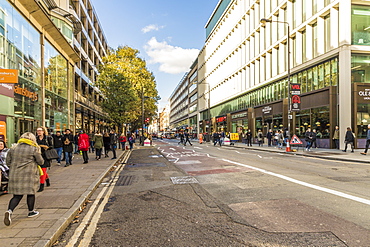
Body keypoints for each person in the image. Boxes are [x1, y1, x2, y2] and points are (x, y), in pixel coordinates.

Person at [4, 132, 44, 226]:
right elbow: (41, 162)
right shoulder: (34, 149)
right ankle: (31, 211)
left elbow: (8, 162)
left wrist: (15, 167)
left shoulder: (13, 148)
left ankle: (9, 211)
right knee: (30, 193)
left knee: (17, 196)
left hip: (16, 175)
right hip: (29, 175)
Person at [36, 126, 53, 192]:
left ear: (43, 131)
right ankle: (47, 180)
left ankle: (41, 185)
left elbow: (51, 146)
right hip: (38, 156)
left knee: (42, 171)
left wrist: (46, 147)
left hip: (45, 157)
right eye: (38, 131)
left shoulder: (48, 138)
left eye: (40, 130)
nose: (39, 132)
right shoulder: (35, 138)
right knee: (42, 170)